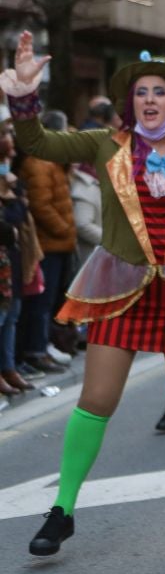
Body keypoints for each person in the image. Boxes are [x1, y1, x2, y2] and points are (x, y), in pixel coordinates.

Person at [3, 34, 165, 554]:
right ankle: (63, 509)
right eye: (141, 92)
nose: (149, 100)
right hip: (120, 289)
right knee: (96, 400)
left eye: (160, 92)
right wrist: (25, 96)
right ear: (132, 102)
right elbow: (38, 145)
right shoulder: (107, 144)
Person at [17, 109, 77, 372]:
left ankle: (44, 347)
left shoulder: (53, 160)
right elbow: (41, 206)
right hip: (48, 244)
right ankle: (35, 350)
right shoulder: (39, 161)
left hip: (59, 244)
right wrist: (64, 230)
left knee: (51, 301)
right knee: (40, 303)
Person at [1, 124, 42, 397]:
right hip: (4, 252)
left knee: (11, 314)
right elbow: (9, 221)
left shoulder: (10, 171)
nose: (10, 139)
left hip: (15, 254)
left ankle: (8, 367)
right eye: (5, 134)